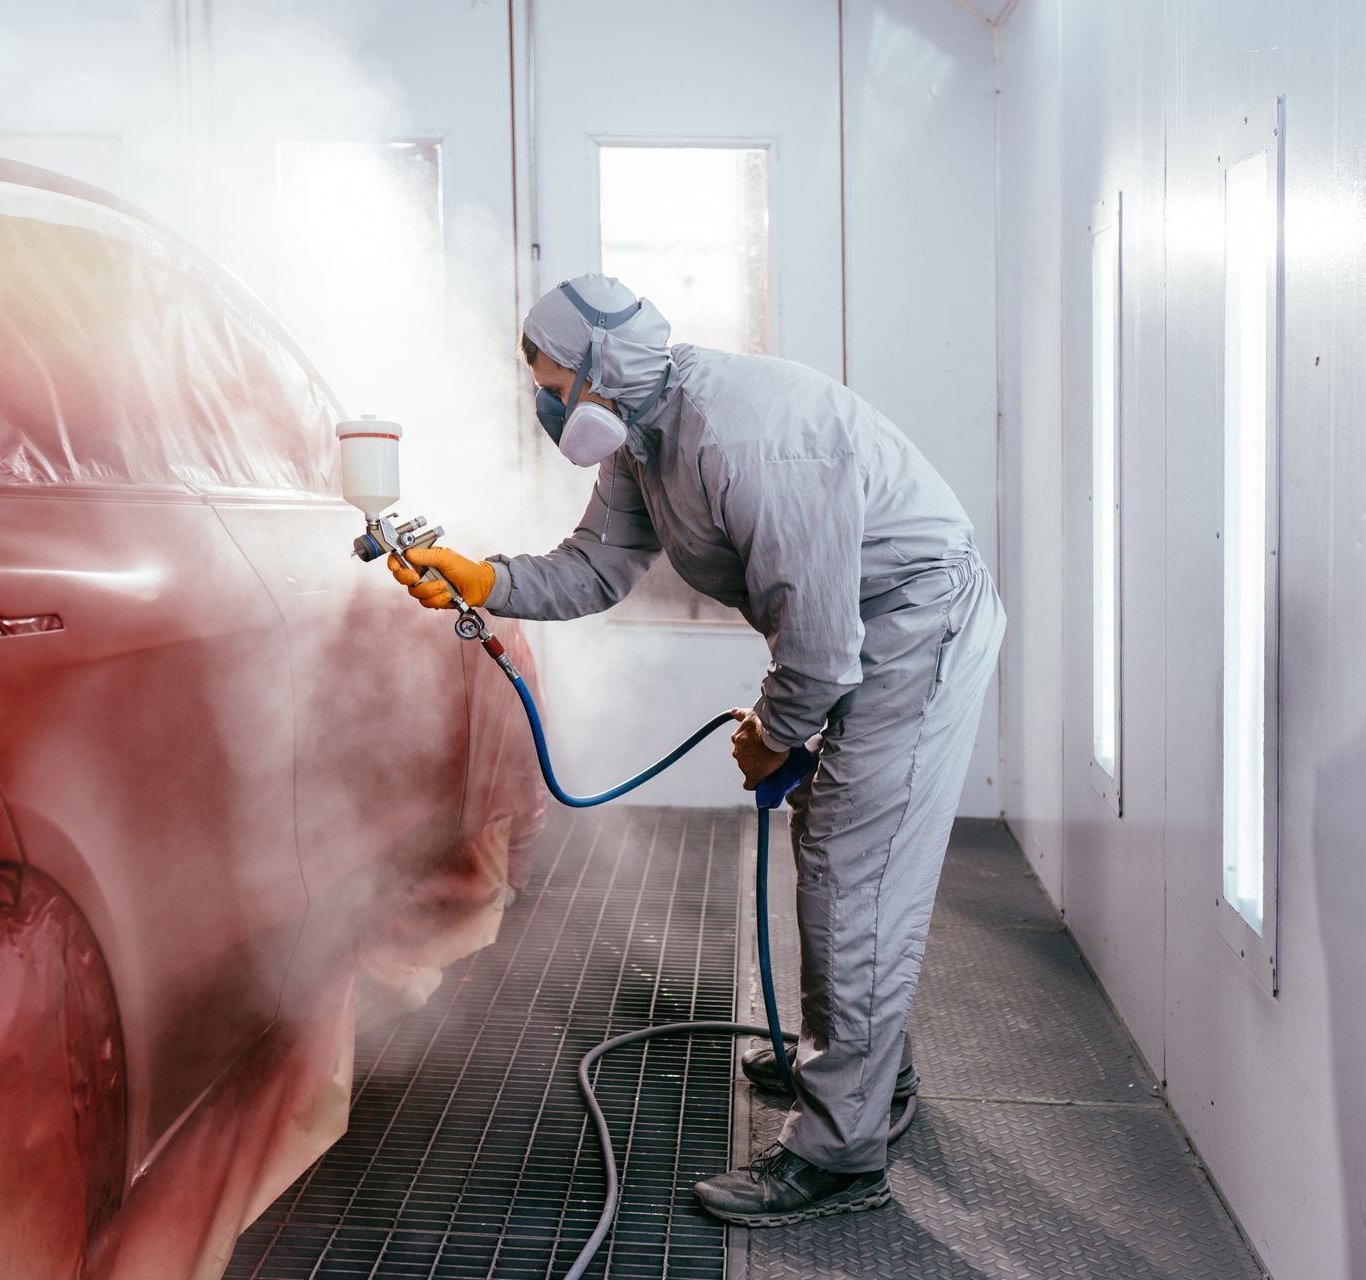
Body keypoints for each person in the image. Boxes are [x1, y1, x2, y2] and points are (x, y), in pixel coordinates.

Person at [389, 274, 1005, 1227]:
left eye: (551, 381)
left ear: (600, 370)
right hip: (852, 632)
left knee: (854, 870)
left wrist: (774, 732)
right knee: (845, 864)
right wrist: (485, 577)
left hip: (918, 622)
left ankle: (842, 1158)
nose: (545, 402)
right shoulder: (642, 436)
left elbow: (820, 641)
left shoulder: (748, 439)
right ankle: (868, 1076)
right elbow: (597, 567)